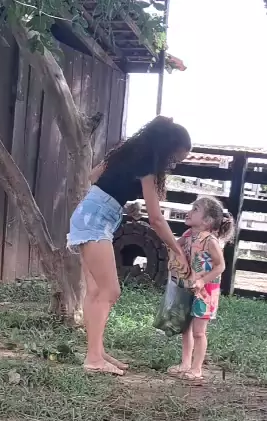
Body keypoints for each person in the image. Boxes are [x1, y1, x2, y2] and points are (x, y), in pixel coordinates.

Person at [67, 116, 192, 375]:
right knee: (110, 291)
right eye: (174, 159)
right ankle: (93, 359)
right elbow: (156, 219)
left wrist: (120, 203)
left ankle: (96, 351)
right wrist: (176, 248)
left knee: (95, 290)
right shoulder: (148, 165)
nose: (173, 164)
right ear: (166, 148)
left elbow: (93, 176)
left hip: (90, 213)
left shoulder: (127, 152)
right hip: (96, 221)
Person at [168, 197, 235, 382]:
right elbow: (175, 246)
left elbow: (220, 266)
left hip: (205, 292)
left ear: (207, 221)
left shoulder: (210, 241)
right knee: (186, 329)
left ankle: (196, 369)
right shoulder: (189, 234)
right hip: (189, 287)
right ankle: (185, 364)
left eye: (195, 209)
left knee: (198, 332)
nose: (189, 212)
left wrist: (203, 281)